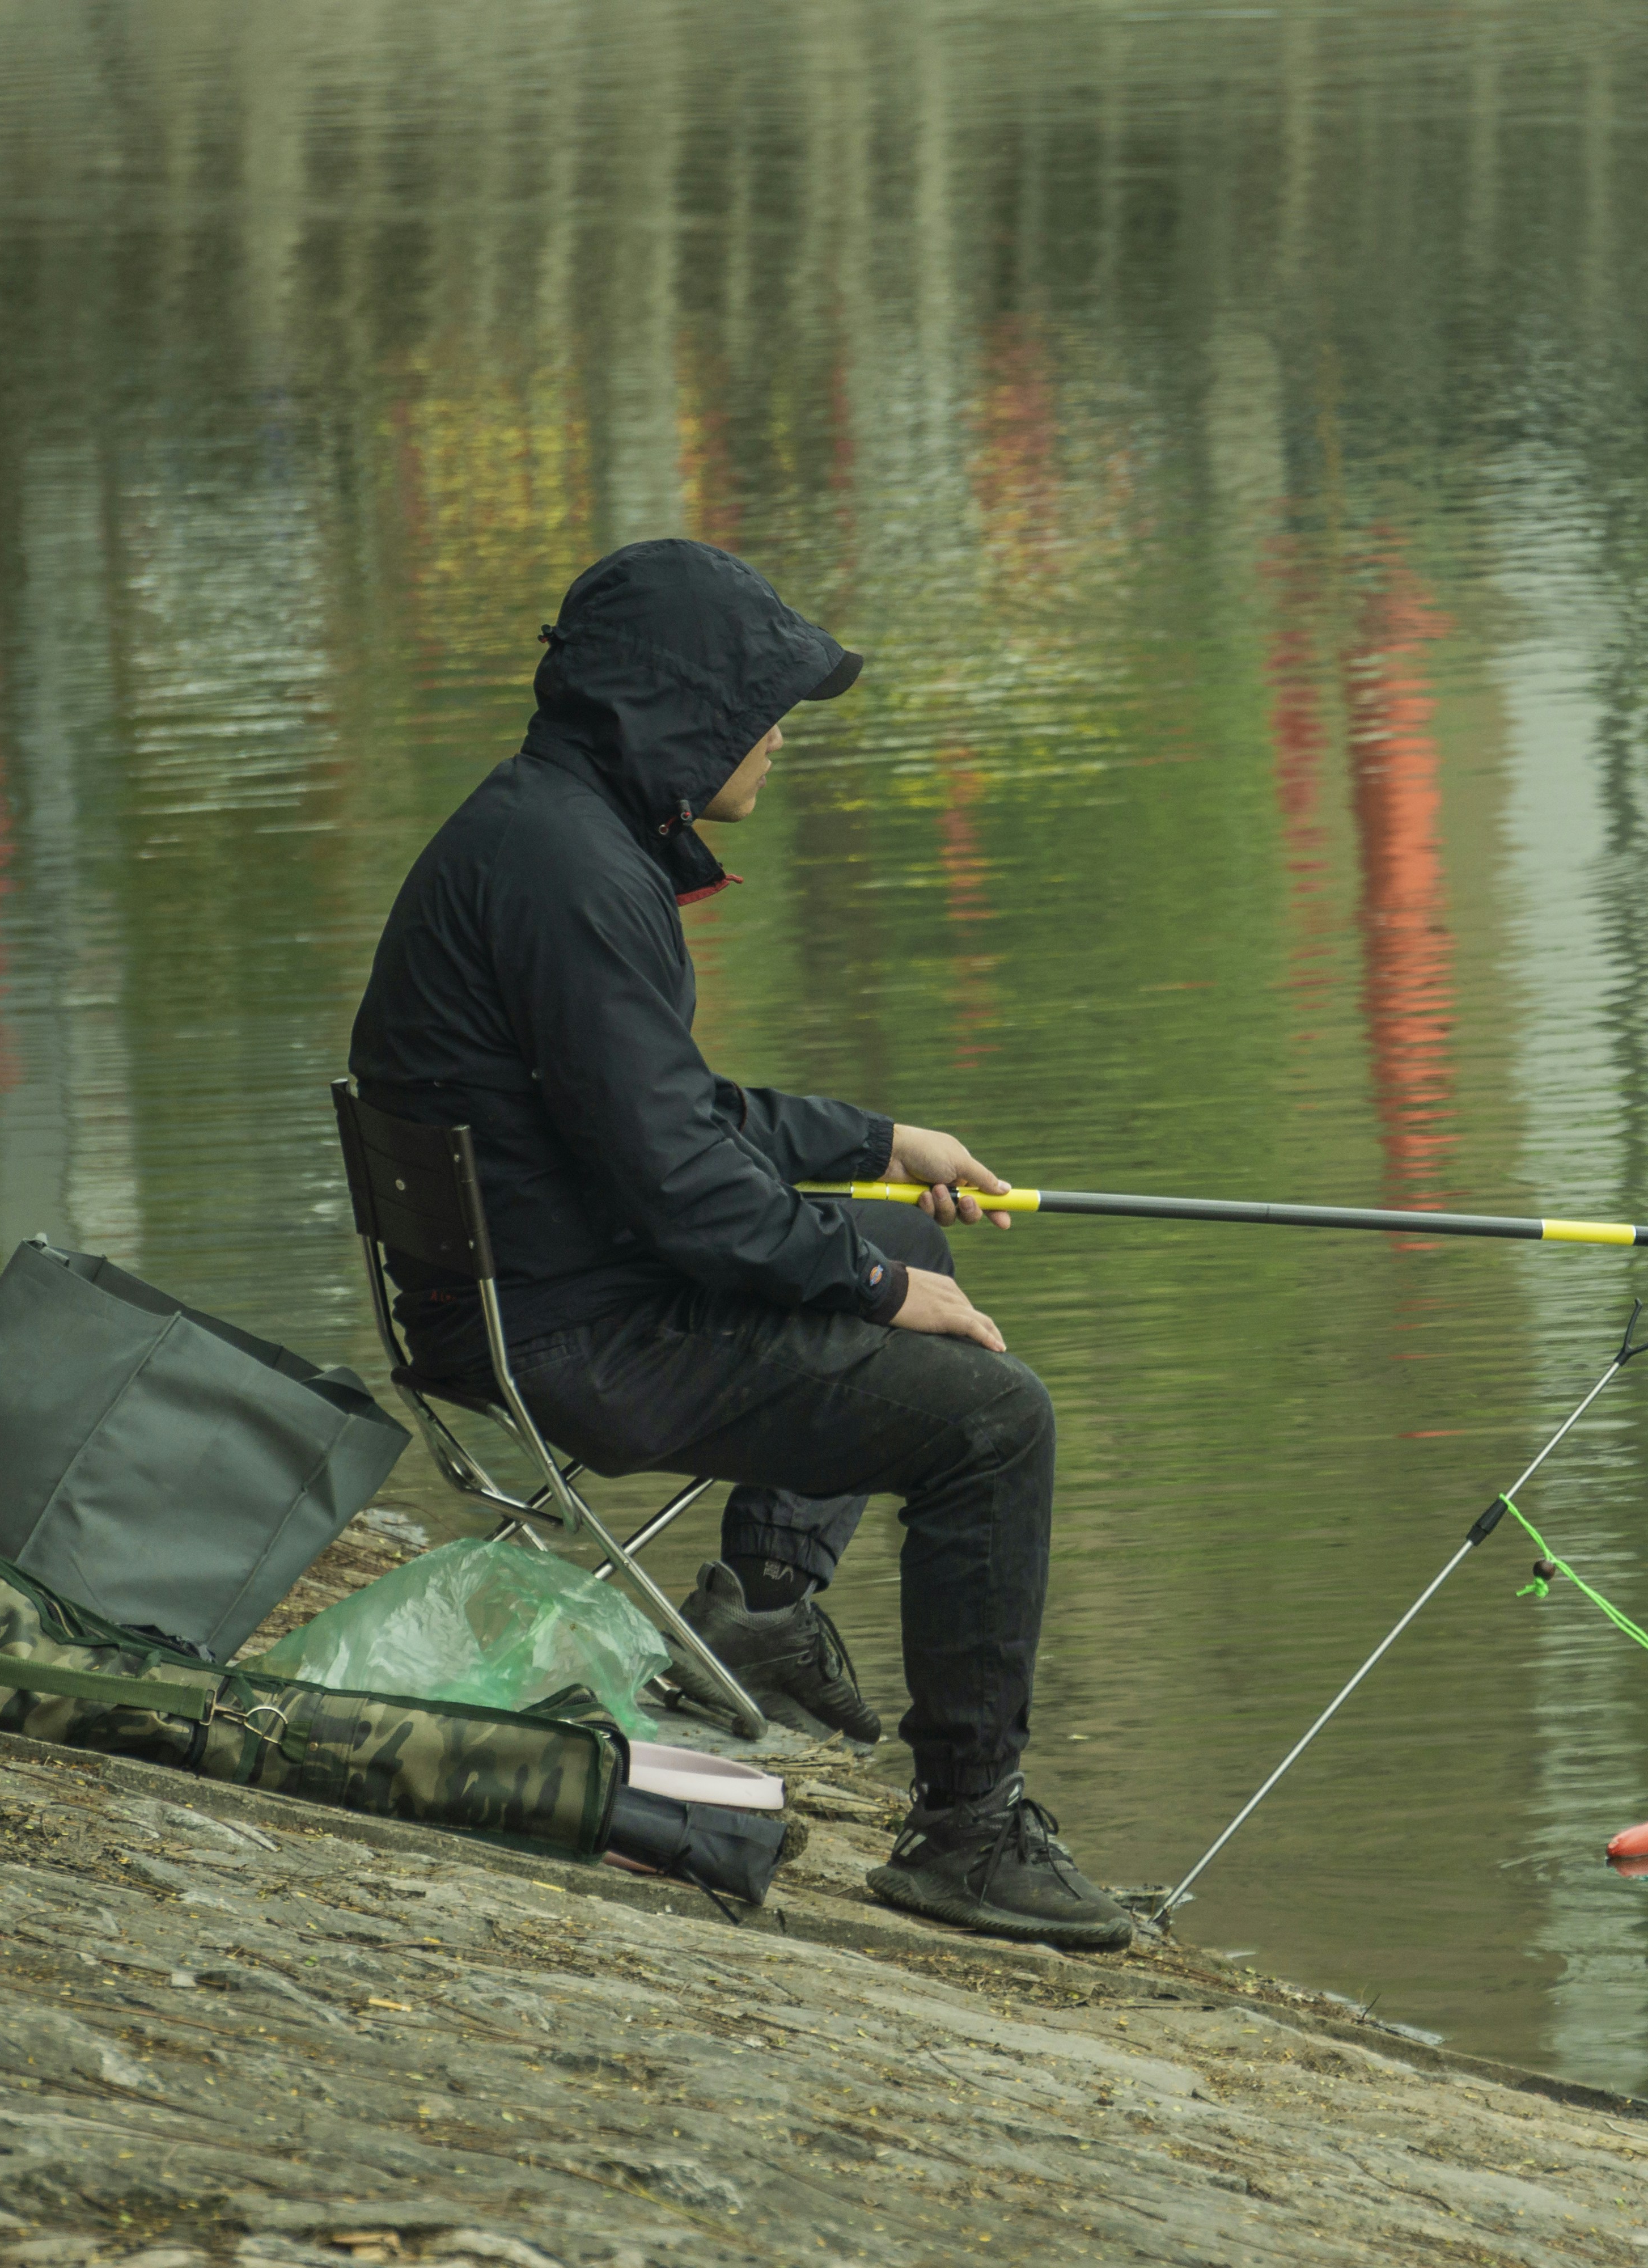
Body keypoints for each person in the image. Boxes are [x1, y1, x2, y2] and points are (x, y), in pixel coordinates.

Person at [346, 539, 1130, 1950]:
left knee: (904, 1234)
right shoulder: (572, 874)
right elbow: (682, 1189)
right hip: (576, 1336)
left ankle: (765, 1601)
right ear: (676, 715)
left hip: (535, 1291)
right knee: (995, 1417)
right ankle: (968, 1828)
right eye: (761, 705)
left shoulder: (553, 830)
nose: (778, 735)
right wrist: (889, 1291)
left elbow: (672, 1116)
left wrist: (881, 1147)